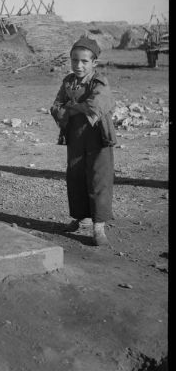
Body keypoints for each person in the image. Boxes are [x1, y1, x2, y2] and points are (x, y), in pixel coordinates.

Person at [50, 36, 117, 247]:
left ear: (94, 63)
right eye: (74, 60)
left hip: (98, 137)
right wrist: (73, 106)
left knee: (99, 178)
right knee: (76, 175)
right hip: (76, 137)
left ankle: (99, 226)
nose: (78, 65)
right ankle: (82, 217)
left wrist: (72, 106)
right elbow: (56, 107)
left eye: (84, 61)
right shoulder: (68, 82)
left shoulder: (100, 82)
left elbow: (95, 106)